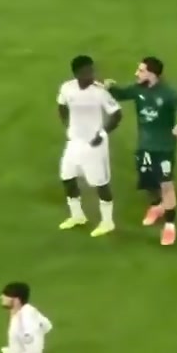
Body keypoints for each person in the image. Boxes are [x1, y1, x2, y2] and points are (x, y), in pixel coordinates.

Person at [104, 57, 177, 246]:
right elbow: (121, 94)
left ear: (153, 74)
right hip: (144, 146)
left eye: (141, 70)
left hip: (164, 147)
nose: (137, 73)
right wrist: (110, 87)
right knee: (149, 183)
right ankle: (157, 206)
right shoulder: (138, 90)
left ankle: (169, 227)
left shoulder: (168, 93)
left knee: (166, 185)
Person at [57, 55, 122, 237]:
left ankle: (107, 222)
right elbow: (61, 105)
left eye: (92, 70)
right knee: (67, 177)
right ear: (77, 73)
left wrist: (102, 134)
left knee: (100, 183)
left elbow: (116, 114)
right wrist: (67, 124)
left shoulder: (99, 92)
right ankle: (77, 216)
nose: (91, 74)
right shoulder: (67, 88)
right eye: (87, 71)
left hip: (94, 144)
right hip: (74, 142)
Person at [0, 282, 52, 353]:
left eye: (6, 295)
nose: (2, 297)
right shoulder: (24, 310)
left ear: (16, 300)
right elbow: (47, 325)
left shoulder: (26, 319)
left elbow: (33, 352)